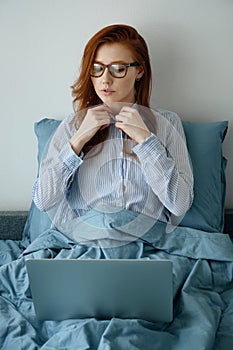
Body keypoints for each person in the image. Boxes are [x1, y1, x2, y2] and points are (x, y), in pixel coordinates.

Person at [33, 24, 193, 235]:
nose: (104, 80)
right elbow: (43, 201)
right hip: (83, 245)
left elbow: (179, 205)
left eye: (118, 69)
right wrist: (78, 141)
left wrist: (146, 142)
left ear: (140, 70)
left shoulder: (167, 123)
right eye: (97, 69)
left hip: (146, 247)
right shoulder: (72, 125)